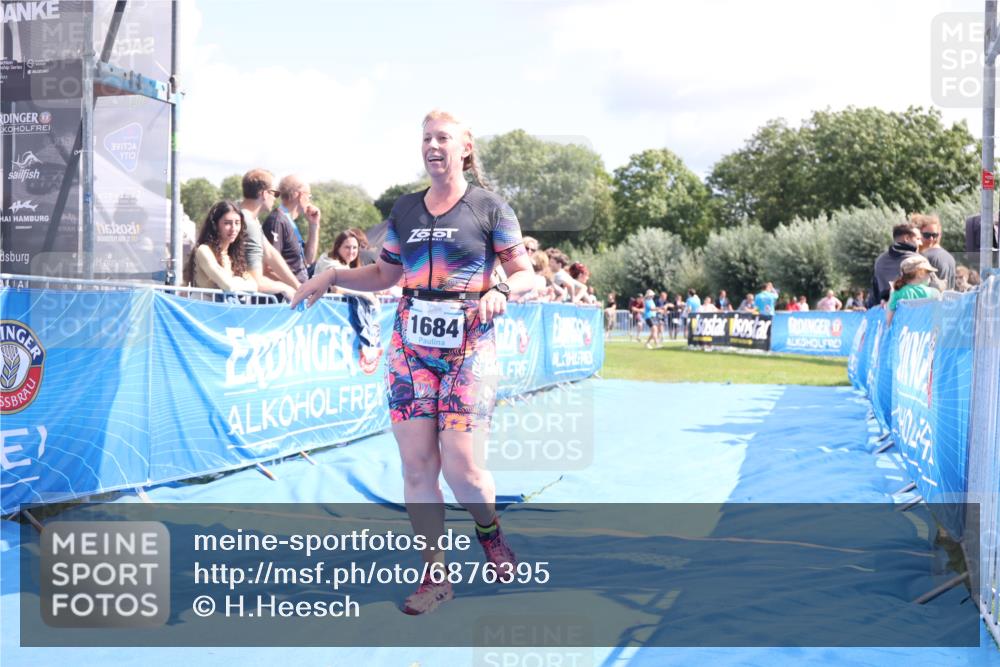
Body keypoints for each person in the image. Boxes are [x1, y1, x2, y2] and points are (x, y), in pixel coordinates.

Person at [290, 109, 534, 615]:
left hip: (469, 346)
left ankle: (489, 532)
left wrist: (503, 289)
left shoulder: (490, 207)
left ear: (465, 146)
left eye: (443, 138)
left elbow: (527, 273)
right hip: (411, 350)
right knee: (418, 465)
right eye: (426, 138)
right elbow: (384, 275)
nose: (433, 146)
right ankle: (434, 575)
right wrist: (331, 275)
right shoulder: (405, 209)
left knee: (464, 469)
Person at [238, 168, 300, 300]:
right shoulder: (248, 222)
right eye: (275, 193)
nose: (275, 199)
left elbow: (271, 254)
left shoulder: (245, 216)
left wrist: (298, 287)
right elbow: (256, 281)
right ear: (265, 194)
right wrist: (286, 288)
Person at [184, 201, 258, 295]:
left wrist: (233, 281)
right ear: (215, 225)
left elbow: (254, 286)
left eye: (237, 223)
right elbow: (228, 286)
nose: (234, 228)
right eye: (227, 223)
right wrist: (238, 282)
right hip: (204, 308)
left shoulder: (233, 256)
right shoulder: (204, 250)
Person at [263, 174, 323, 284]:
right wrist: (297, 287)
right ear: (300, 195)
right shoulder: (277, 221)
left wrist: (314, 225)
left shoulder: (289, 222)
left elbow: (308, 260)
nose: (309, 201)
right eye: (309, 196)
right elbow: (268, 268)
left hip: (296, 294)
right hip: (284, 298)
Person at [869, 222, 919, 307]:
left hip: (884, 312)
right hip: (912, 313)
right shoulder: (917, 260)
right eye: (917, 239)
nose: (920, 243)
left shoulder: (880, 261)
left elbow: (875, 291)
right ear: (906, 238)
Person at [886, 255, 941, 326]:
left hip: (904, 334)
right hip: (925, 334)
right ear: (920, 273)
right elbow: (938, 319)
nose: (930, 275)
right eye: (929, 272)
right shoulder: (934, 293)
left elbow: (889, 320)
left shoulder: (897, 292)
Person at [912, 213, 955, 290]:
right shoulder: (950, 257)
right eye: (927, 235)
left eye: (934, 235)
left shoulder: (923, 258)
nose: (931, 239)